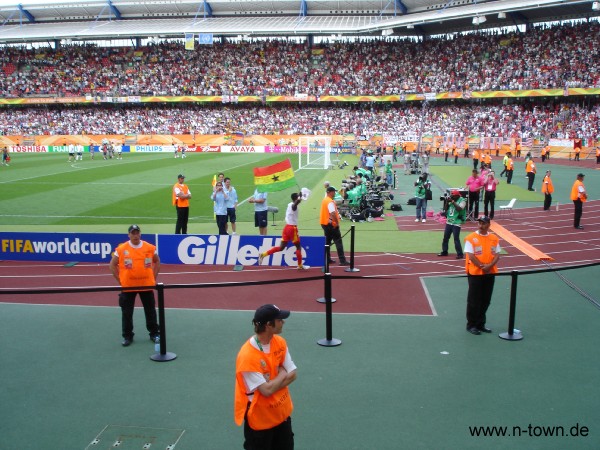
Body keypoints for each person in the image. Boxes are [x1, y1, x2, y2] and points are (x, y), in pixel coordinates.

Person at [234, 304, 297, 450]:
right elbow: (266, 391)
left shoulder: (279, 342)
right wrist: (282, 373)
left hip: (281, 415)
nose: (283, 322)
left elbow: (293, 374)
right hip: (260, 421)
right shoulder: (247, 356)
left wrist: (274, 382)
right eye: (280, 319)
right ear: (269, 325)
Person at [109, 225, 160, 347]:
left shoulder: (149, 247)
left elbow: (157, 261)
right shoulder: (121, 249)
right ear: (129, 235)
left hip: (146, 285)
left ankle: (154, 333)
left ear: (140, 234)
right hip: (128, 286)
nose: (135, 235)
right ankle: (127, 336)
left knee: (150, 311)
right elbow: (112, 265)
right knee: (127, 312)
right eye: (133, 233)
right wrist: (120, 280)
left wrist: (153, 278)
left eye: (137, 233)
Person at [464, 217, 501, 335]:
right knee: (474, 300)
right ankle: (471, 325)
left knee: (486, 299)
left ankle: (481, 323)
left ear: (488, 225)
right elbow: (470, 255)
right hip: (475, 273)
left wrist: (489, 266)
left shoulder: (494, 238)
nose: (480, 225)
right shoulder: (470, 238)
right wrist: (482, 266)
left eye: (483, 223)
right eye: (479, 223)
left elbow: (497, 254)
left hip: (490, 272)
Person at [259, 193, 309, 270]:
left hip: (286, 228)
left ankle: (263, 254)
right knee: (298, 247)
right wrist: (299, 199)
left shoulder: (289, 204)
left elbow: (295, 203)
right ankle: (300, 265)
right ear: (296, 198)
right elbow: (295, 205)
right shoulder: (293, 206)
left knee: (281, 247)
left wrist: (299, 196)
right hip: (292, 228)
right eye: (297, 197)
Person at [320, 186, 349, 265]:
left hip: (325, 224)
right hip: (331, 225)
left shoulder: (325, 200)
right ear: (330, 192)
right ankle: (342, 260)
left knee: (327, 242)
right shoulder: (330, 201)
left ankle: (327, 258)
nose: (335, 193)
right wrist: (336, 223)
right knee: (338, 242)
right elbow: (332, 213)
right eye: (334, 191)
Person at [438, 190, 467, 259]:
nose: (452, 197)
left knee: (456, 239)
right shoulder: (452, 200)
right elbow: (445, 210)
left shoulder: (462, 200)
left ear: (457, 195)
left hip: (456, 222)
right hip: (449, 221)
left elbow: (459, 209)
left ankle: (460, 254)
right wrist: (446, 202)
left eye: (453, 196)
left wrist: (453, 202)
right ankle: (444, 251)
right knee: (445, 238)